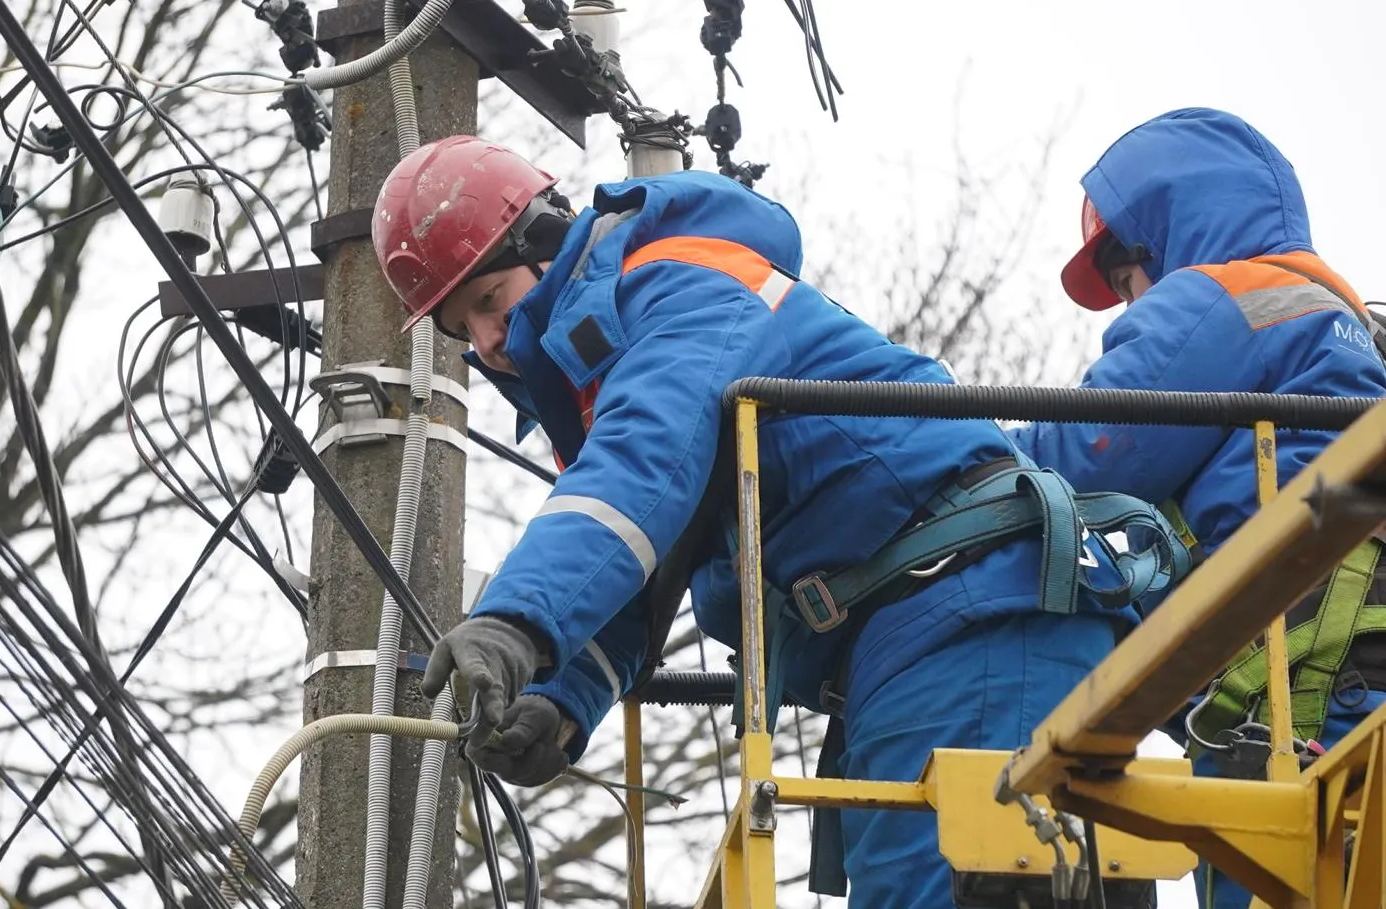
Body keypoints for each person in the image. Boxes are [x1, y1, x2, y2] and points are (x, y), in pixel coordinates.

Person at [371, 135, 1189, 907]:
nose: (488, 341)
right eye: (463, 332)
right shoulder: (623, 366)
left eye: (490, 300)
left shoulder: (678, 284)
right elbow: (647, 566)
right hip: (921, 637)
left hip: (970, 611)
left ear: (545, 243)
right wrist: (562, 697)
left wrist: (516, 621)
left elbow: (640, 467)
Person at [1010, 106, 1386, 909]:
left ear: (1169, 235)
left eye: (1123, 281)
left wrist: (957, 466)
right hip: (1346, 686)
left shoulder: (1233, 296)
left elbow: (1085, 450)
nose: (1128, 307)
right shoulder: (1346, 326)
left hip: (1301, 693)